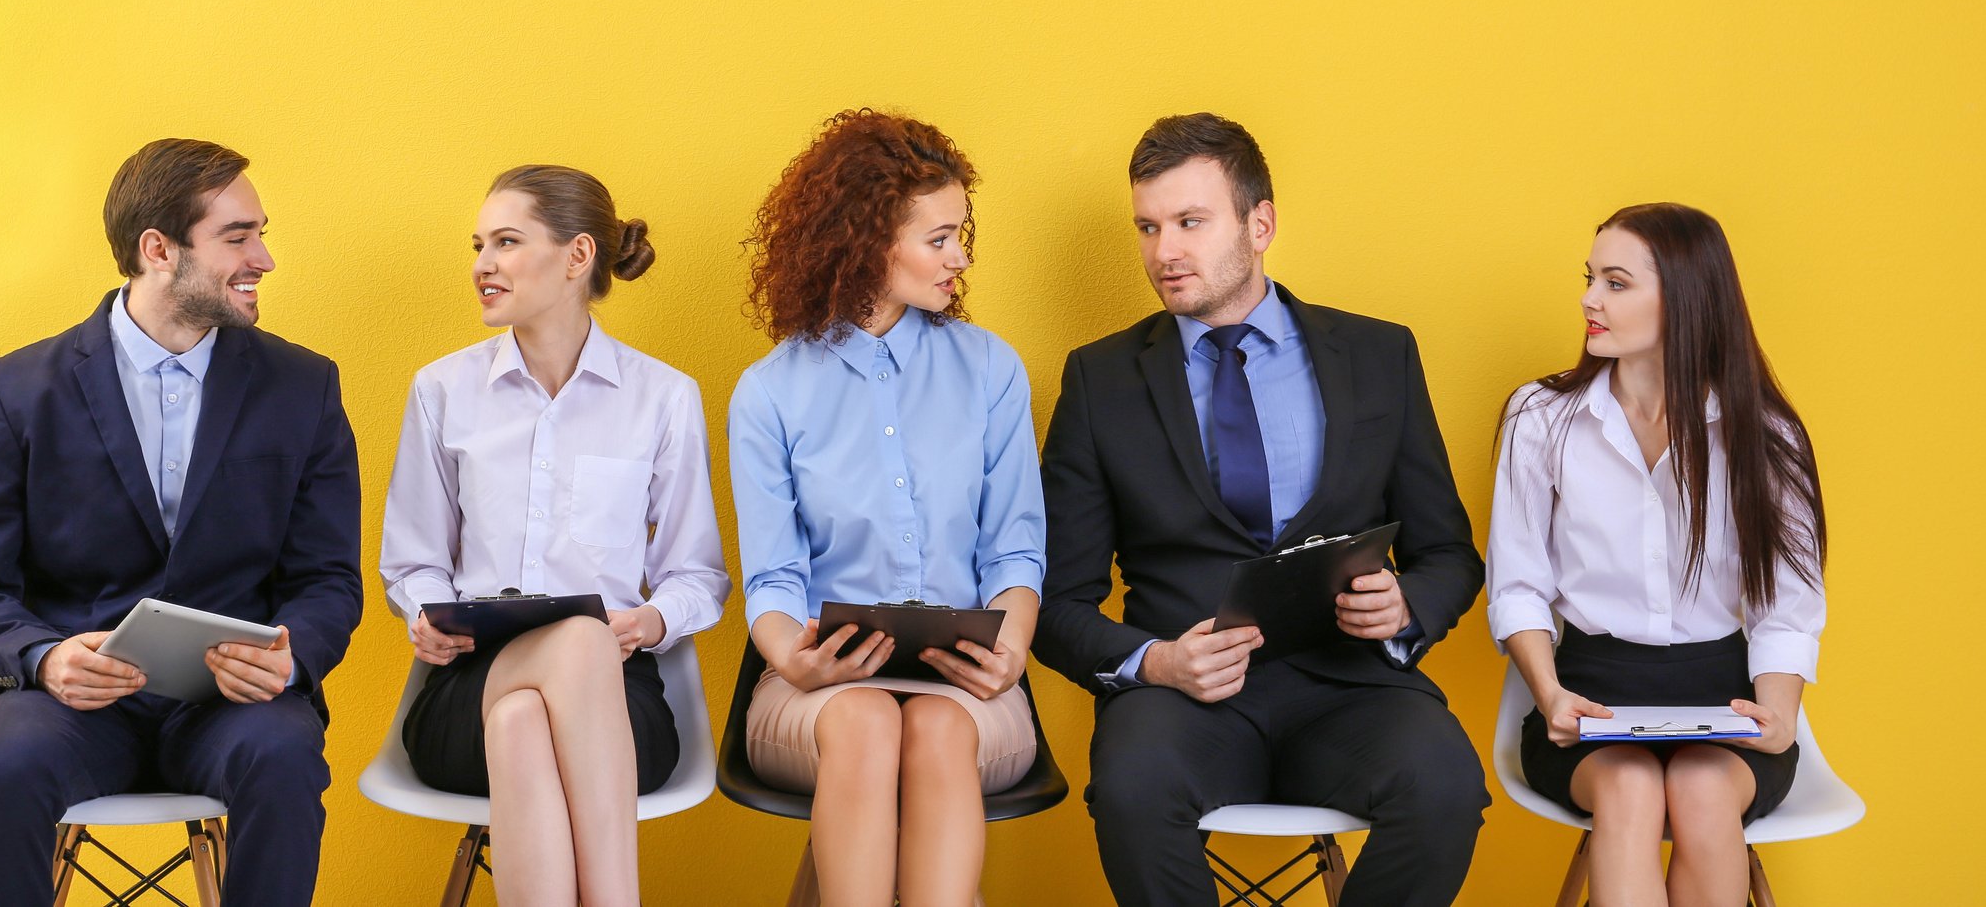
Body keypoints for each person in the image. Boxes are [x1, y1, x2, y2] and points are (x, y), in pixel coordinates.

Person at [1033, 112, 1487, 907]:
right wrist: (1155, 662)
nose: (1162, 251)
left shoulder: (1380, 355)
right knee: (1132, 794)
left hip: (1355, 692)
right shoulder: (1098, 381)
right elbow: (1054, 604)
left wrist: (1405, 606)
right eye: (1147, 226)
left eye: (1189, 222)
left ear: (1260, 223)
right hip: (1180, 701)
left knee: (1444, 787)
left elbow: (1448, 553)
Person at [0, 138, 363, 907]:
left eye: (260, 231)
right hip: (66, 708)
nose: (263, 257)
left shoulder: (305, 386)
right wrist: (42, 658)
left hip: (234, 709)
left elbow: (327, 580)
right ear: (157, 249)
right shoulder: (14, 390)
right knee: (7, 766)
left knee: (288, 755)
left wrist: (290, 661)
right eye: (237, 237)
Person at [379, 165, 729, 907]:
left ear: (577, 257)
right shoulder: (441, 389)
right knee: (572, 644)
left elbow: (696, 573)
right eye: (478, 244)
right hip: (466, 687)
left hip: (618, 699)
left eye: (506, 242)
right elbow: (413, 560)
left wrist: (654, 619)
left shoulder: (662, 397)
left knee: (528, 720)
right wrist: (426, 614)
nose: (482, 264)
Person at [727, 110, 1046, 907]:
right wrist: (790, 659)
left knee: (934, 732)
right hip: (817, 694)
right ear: (866, 239)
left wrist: (1009, 646)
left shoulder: (990, 369)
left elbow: (1014, 551)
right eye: (938, 239)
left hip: (967, 691)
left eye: (960, 234)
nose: (959, 258)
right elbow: (771, 576)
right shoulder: (770, 391)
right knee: (867, 723)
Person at [1488, 203, 1828, 907]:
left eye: (1615, 282)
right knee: (1629, 783)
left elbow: (1786, 610)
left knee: (1703, 789)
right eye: (1590, 278)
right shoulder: (1540, 417)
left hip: (1723, 694)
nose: (1588, 299)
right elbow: (1516, 583)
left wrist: (1776, 715)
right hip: (1589, 692)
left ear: (1685, 299)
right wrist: (1548, 694)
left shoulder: (1765, 435)